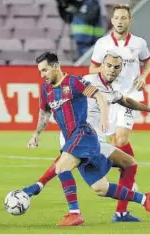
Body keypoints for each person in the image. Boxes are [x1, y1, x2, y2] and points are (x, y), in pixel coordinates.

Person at [22, 51, 150, 226]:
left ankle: (74, 213)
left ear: (56, 66)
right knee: (100, 187)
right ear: (102, 65)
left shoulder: (75, 82)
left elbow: (104, 97)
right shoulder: (47, 89)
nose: (42, 75)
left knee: (62, 167)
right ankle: (144, 200)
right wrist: (36, 134)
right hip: (76, 137)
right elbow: (44, 113)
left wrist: (107, 117)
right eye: (40, 71)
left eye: (44, 70)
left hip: (83, 134)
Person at [89, 4, 150, 221]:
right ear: (112, 20)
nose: (120, 21)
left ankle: (126, 172)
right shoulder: (102, 44)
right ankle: (122, 209)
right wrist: (109, 68)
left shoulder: (139, 43)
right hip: (108, 96)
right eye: (116, 18)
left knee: (121, 138)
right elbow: (92, 69)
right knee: (117, 143)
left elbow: (147, 61)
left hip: (129, 97)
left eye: (124, 17)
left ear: (130, 20)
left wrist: (143, 77)